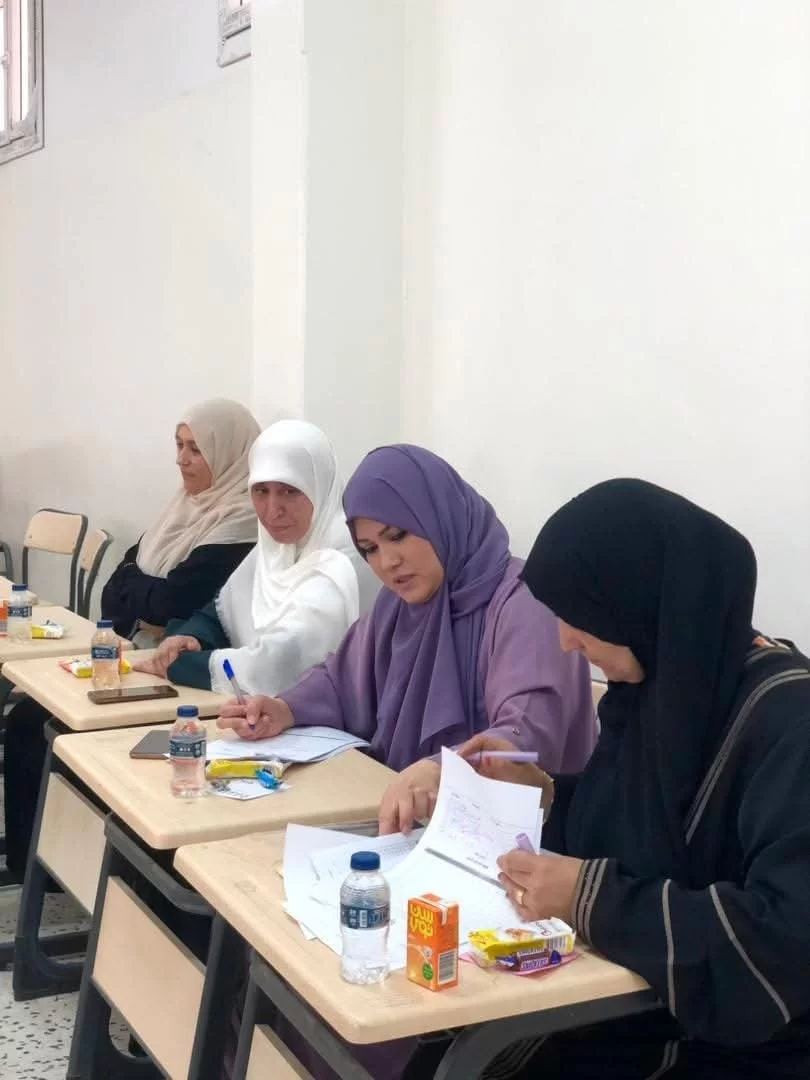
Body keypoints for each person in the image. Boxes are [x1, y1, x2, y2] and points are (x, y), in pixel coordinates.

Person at [455, 479, 810, 1079]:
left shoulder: (790, 721)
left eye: (580, 617)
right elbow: (634, 830)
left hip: (744, 1048)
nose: (566, 641)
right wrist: (541, 793)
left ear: (637, 597)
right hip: (637, 1009)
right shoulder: (663, 686)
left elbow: (782, 942)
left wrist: (592, 900)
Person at [219, 443, 597, 832]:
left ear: (439, 517)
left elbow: (529, 731)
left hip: (516, 839)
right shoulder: (399, 606)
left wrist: (443, 769)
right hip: (410, 824)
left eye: (398, 535)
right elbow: (343, 679)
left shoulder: (523, 602)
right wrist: (284, 708)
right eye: (370, 549)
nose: (388, 562)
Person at [3, 398, 260, 882]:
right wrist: (145, 595)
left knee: (38, 727)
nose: (181, 460)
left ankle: (62, 871)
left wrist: (141, 593)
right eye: (178, 446)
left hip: (182, 679)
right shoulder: (181, 509)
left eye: (196, 449)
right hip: (142, 654)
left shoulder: (242, 523)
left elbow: (172, 601)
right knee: (30, 720)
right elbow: (116, 590)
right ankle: (34, 867)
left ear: (230, 454)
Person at [134, 419, 377, 694]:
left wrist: (178, 664)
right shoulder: (277, 548)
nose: (273, 510)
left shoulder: (345, 560)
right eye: (261, 491)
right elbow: (221, 611)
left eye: (289, 491)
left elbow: (277, 665)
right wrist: (191, 637)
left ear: (319, 486)